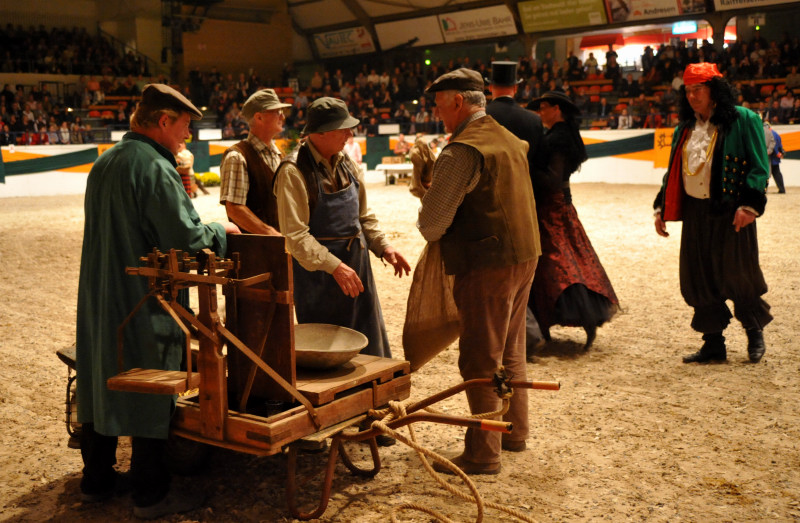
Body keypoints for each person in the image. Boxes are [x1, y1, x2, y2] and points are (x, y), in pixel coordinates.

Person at [76, 84, 240, 519]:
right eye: (185, 126)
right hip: (142, 299)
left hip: (99, 293)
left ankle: (96, 481)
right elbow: (184, 240)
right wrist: (223, 233)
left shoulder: (105, 162)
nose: (186, 136)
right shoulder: (154, 167)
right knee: (153, 377)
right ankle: (151, 493)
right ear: (164, 121)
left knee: (101, 372)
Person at [417, 68, 540, 475]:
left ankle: (483, 453)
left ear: (457, 102)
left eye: (439, 105)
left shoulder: (461, 151)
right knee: (511, 350)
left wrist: (425, 193)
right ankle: (514, 432)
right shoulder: (509, 139)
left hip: (486, 261)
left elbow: (432, 225)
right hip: (524, 253)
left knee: (480, 358)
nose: (438, 114)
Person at [653, 62, 772, 364]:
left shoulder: (744, 119)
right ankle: (713, 344)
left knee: (738, 274)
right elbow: (674, 172)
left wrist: (750, 206)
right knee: (699, 276)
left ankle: (754, 333)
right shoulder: (685, 128)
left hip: (732, 211)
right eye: (688, 91)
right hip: (696, 212)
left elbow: (760, 166)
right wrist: (661, 208)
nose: (692, 96)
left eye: (699, 89)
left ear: (714, 89)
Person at [274, 97, 410, 359]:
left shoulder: (346, 161)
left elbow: (363, 217)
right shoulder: (293, 171)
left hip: (357, 269)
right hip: (320, 279)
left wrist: (384, 246)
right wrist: (334, 266)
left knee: (369, 346)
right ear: (321, 132)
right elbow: (296, 237)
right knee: (328, 353)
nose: (350, 134)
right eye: (343, 128)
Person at [526, 91, 620, 349]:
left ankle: (565, 315)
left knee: (557, 260)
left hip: (552, 207)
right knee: (574, 255)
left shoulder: (559, 137)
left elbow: (553, 178)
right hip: (561, 204)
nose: (541, 112)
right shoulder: (564, 134)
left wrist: (525, 164)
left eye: (544, 107)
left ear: (557, 109)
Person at [485, 60, 546, 355]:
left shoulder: (482, 116)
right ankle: (527, 331)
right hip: (525, 202)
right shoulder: (533, 121)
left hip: (489, 204)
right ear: (517, 87)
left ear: (490, 86)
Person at [219, 88, 291, 235]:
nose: (282, 117)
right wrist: (270, 233)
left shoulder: (278, 154)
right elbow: (234, 208)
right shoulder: (237, 156)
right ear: (259, 117)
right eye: (277, 112)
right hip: (255, 251)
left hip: (281, 247)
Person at [765, 122, 786, 193]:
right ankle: (782, 189)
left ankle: (765, 189)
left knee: (767, 173)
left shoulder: (768, 134)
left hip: (770, 156)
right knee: (777, 173)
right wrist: (780, 153)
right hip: (775, 157)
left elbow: (773, 145)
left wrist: (776, 152)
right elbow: (779, 145)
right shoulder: (776, 133)